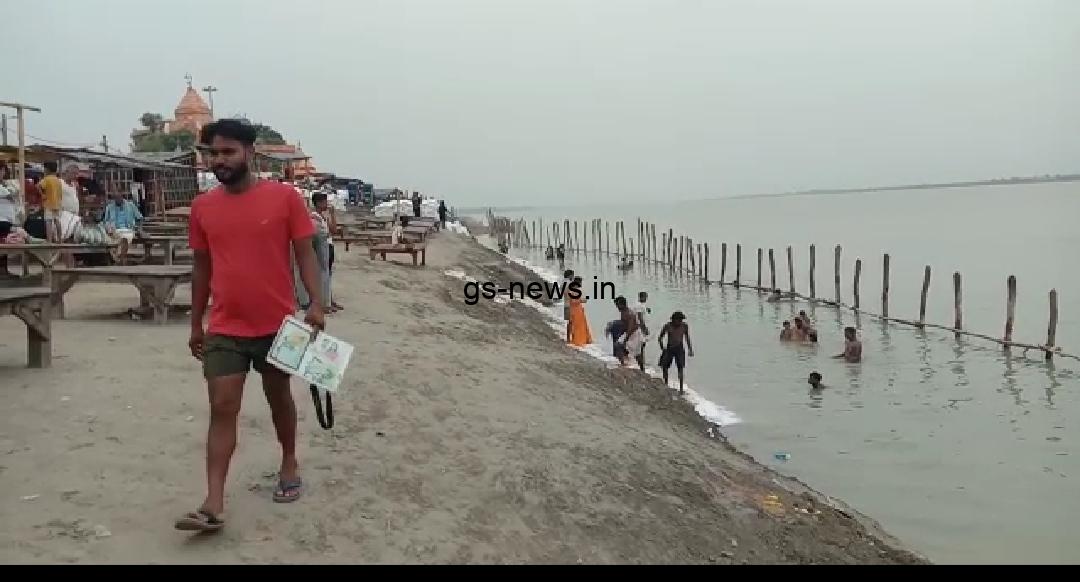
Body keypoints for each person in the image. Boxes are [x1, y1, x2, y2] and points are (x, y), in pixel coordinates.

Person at [175, 119, 324, 533]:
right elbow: (201, 267)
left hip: (280, 325)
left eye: (228, 152)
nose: (218, 160)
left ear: (249, 153)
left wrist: (316, 303)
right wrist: (196, 323)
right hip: (225, 326)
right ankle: (213, 502)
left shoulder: (285, 198)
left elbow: (306, 253)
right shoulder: (203, 207)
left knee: (279, 398)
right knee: (222, 408)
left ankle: (289, 461)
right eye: (213, 153)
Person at [312, 192, 343, 312]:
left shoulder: (323, 217)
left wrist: (332, 214)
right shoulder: (314, 217)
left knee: (328, 274)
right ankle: (324, 303)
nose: (327, 204)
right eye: (325, 202)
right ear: (319, 203)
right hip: (322, 247)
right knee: (323, 274)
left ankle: (329, 299)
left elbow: (333, 230)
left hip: (329, 246)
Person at [102, 191, 144, 265]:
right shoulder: (110, 207)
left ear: (122, 197)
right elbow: (106, 221)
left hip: (128, 229)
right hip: (115, 229)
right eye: (115, 198)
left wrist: (140, 229)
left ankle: (121, 259)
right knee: (114, 239)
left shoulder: (131, 205)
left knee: (125, 238)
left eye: (118, 198)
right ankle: (120, 259)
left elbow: (140, 218)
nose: (117, 200)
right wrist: (108, 228)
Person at [657, 311, 694, 393]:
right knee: (664, 366)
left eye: (681, 320)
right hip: (669, 348)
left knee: (680, 368)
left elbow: (687, 338)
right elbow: (660, 338)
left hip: (679, 348)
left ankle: (681, 388)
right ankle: (666, 383)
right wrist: (662, 348)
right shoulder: (668, 326)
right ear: (673, 319)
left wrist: (690, 349)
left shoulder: (684, 326)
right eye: (679, 320)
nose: (680, 321)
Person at [39, 161, 64, 243]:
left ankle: (49, 240)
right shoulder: (58, 180)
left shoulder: (46, 179)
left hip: (49, 204)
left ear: (47, 169)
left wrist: (42, 194)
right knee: (57, 221)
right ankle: (60, 239)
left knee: (48, 222)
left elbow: (39, 186)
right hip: (57, 204)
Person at [615, 296, 642, 368]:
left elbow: (631, 327)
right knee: (618, 345)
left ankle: (642, 368)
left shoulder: (629, 313)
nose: (617, 307)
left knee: (637, 354)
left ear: (623, 304)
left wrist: (626, 339)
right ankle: (624, 363)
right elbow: (624, 325)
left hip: (635, 334)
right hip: (628, 332)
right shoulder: (623, 312)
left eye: (618, 305)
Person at [566, 276, 592, 347]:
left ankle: (571, 338)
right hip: (576, 309)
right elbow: (575, 300)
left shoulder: (572, 290)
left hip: (575, 308)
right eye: (581, 282)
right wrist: (582, 300)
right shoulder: (575, 290)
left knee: (574, 324)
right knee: (577, 325)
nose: (581, 283)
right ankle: (577, 339)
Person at [633, 291, 651, 371]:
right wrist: (644, 329)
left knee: (641, 347)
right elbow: (640, 318)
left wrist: (646, 310)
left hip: (639, 329)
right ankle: (641, 367)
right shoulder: (639, 306)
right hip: (640, 329)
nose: (646, 299)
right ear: (641, 297)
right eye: (645, 297)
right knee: (641, 348)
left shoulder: (640, 305)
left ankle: (642, 364)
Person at [561, 269, 575, 342]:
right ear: (570, 275)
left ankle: (568, 338)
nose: (573, 277)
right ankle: (572, 338)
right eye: (572, 275)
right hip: (571, 305)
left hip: (566, 304)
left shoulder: (563, 283)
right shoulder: (570, 284)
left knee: (569, 322)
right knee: (572, 322)